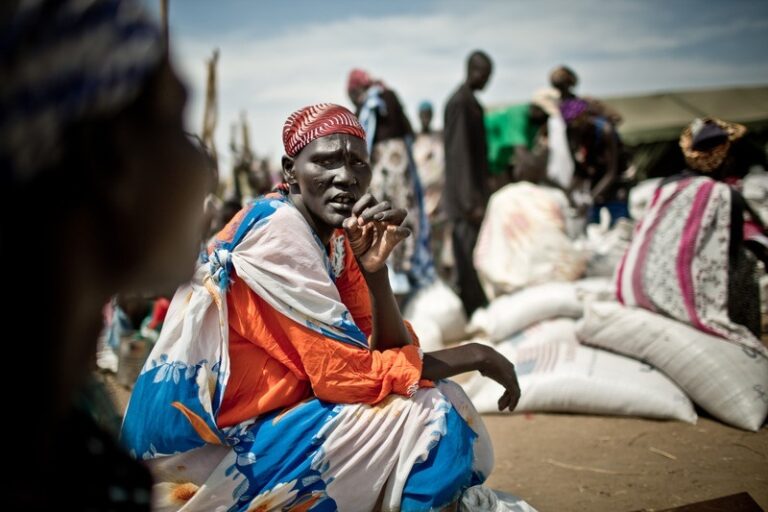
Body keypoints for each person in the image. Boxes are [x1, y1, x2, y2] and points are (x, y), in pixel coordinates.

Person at [121, 104, 523, 511]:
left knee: (442, 397)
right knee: (429, 414)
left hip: (255, 429)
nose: (345, 177)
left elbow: (377, 351)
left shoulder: (334, 237)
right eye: (327, 161)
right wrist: (475, 354)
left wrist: (376, 272)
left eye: (357, 164)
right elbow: (346, 375)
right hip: (190, 463)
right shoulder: (277, 231)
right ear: (290, 170)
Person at [1, 0, 210, 508]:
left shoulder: (64, 421)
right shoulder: (40, 463)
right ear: (110, 158)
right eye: (174, 122)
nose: (201, 171)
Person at [616, 118, 767, 354]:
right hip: (680, 298)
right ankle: (745, 338)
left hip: (636, 290)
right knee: (747, 263)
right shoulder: (724, 195)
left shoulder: (666, 185)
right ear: (725, 158)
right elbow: (730, 252)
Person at [347, 68, 434, 299]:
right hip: (399, 169)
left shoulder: (368, 106)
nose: (353, 99)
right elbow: (408, 130)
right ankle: (406, 270)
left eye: (353, 94)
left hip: (386, 171)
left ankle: (395, 272)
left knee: (384, 217)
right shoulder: (388, 97)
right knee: (403, 216)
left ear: (358, 89)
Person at [444, 50, 493, 316]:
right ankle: (473, 310)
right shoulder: (461, 103)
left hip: (472, 197)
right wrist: (469, 202)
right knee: (467, 259)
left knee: (472, 257)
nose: (486, 81)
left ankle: (474, 308)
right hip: (466, 201)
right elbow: (459, 154)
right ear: (472, 70)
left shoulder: (470, 101)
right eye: (484, 75)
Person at [412, 100, 451, 277]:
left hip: (441, 198)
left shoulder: (440, 139)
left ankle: (441, 275)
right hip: (421, 200)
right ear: (419, 117)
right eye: (423, 114)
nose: (426, 118)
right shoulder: (415, 140)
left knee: (440, 240)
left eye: (429, 114)